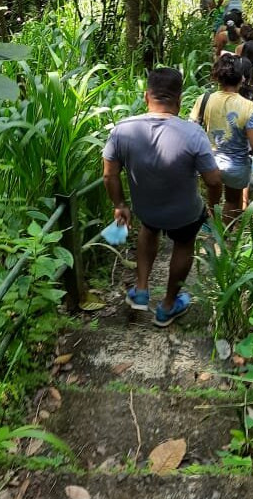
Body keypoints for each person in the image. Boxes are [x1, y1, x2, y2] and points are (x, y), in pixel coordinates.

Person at [103, 68, 222, 327]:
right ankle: (167, 305)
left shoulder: (122, 130)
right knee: (183, 243)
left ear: (146, 96)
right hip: (185, 213)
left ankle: (142, 288)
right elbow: (213, 180)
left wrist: (119, 205)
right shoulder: (193, 134)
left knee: (148, 230)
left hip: (147, 209)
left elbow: (109, 175)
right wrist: (213, 208)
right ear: (179, 101)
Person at [190, 55, 253, 226]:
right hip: (236, 166)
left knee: (213, 199)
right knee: (232, 200)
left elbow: (192, 129)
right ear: (242, 78)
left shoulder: (204, 99)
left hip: (209, 162)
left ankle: (211, 228)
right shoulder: (248, 106)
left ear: (218, 76)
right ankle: (222, 239)